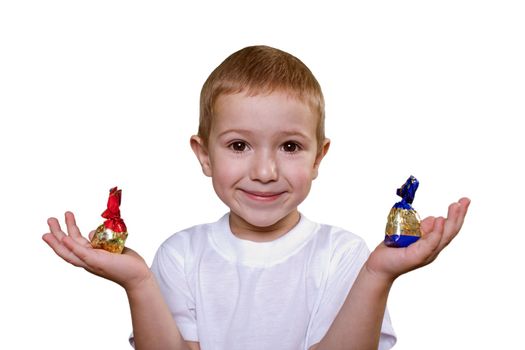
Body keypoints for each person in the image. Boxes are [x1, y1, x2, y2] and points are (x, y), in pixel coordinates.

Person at [43, 45, 470, 350]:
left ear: (318, 157)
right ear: (203, 155)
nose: (265, 172)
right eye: (239, 146)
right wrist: (137, 281)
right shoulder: (181, 255)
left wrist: (379, 275)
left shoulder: (344, 255)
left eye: (289, 147)